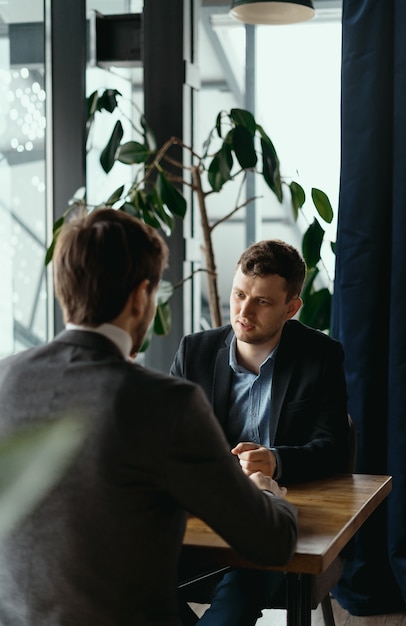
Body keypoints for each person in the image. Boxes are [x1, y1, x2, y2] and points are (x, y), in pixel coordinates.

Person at [0, 211, 298, 626]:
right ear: (141, 297)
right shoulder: (165, 403)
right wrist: (268, 493)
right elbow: (272, 543)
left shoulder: (4, 378)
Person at [171, 238, 350, 626]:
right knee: (129, 564)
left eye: (262, 302)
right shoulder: (194, 352)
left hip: (274, 517)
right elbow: (168, 440)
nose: (243, 311)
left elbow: (334, 448)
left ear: (291, 307)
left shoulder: (320, 356)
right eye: (239, 295)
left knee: (249, 571)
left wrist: (277, 459)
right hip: (198, 518)